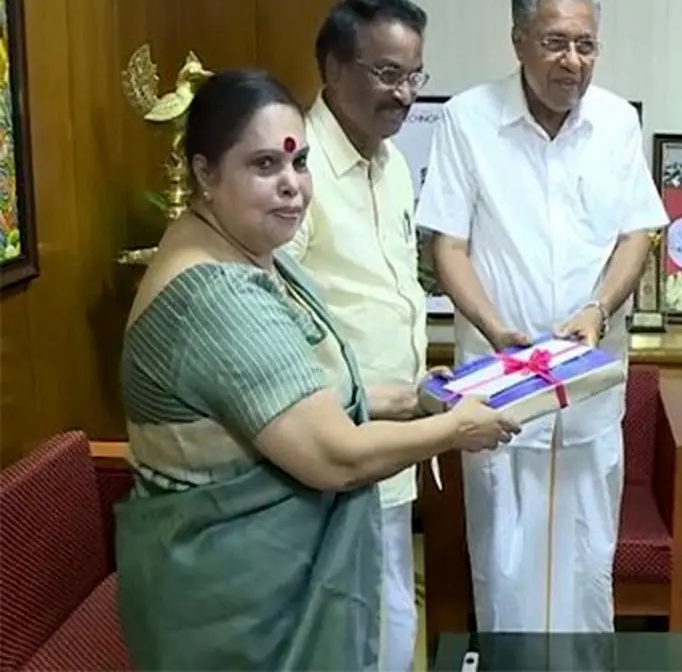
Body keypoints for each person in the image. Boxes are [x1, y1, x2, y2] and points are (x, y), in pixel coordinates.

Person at [116, 69, 520, 670]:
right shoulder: (216, 295)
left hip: (255, 579)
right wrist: (456, 430)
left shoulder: (246, 253)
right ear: (204, 174)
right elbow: (334, 456)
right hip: (238, 603)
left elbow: (299, 395)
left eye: (300, 162)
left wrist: (411, 398)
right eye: (264, 166)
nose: (292, 187)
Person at [414, 0, 668, 633]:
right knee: (503, 567)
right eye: (556, 42)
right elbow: (449, 245)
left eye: (586, 44)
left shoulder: (615, 122)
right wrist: (498, 329)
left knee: (588, 563)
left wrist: (598, 308)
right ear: (519, 40)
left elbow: (637, 232)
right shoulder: (468, 119)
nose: (573, 60)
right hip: (502, 393)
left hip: (588, 391)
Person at [284, 0, 433, 672]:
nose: (403, 94)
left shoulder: (392, 164)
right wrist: (361, 397)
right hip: (330, 446)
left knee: (392, 618)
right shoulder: (293, 172)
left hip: (393, 438)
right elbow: (269, 325)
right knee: (347, 632)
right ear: (332, 68)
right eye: (386, 73)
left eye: (413, 75)